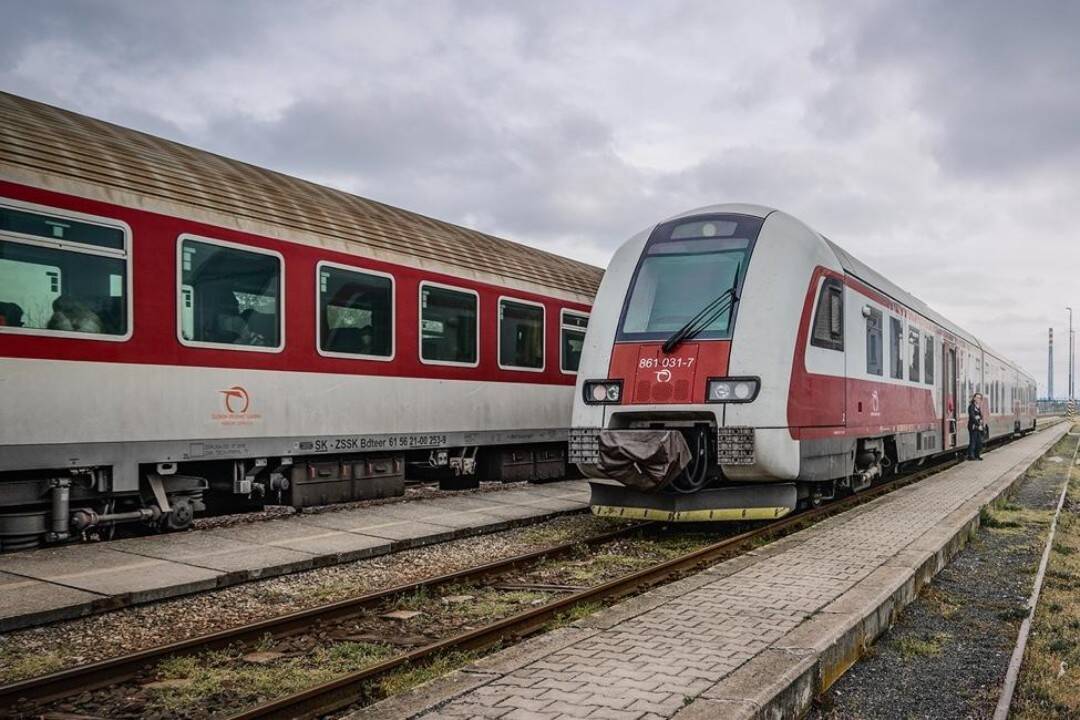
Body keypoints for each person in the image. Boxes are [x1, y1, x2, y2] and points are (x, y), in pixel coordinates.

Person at [967, 392, 985, 460]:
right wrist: (978, 424)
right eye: (977, 397)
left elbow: (980, 416)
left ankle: (977, 455)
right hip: (973, 426)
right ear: (974, 398)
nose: (978, 399)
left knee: (979, 441)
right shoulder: (971, 406)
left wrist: (981, 424)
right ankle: (971, 456)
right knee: (973, 441)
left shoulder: (978, 407)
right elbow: (972, 416)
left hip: (978, 426)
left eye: (979, 398)